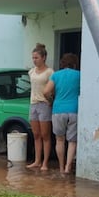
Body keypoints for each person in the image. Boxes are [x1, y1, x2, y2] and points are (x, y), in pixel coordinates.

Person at [43, 53, 80, 175]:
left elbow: (46, 91)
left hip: (58, 110)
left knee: (60, 140)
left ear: (62, 63)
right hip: (74, 109)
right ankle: (68, 167)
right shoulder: (79, 75)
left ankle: (60, 167)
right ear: (75, 63)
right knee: (72, 141)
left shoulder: (56, 75)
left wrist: (51, 101)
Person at [26, 43, 54, 171]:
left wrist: (50, 100)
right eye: (33, 58)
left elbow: (53, 89)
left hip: (44, 104)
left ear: (43, 57)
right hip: (33, 104)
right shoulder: (31, 72)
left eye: (36, 57)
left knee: (45, 135)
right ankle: (37, 160)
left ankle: (45, 163)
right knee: (36, 134)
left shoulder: (50, 72)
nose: (34, 60)